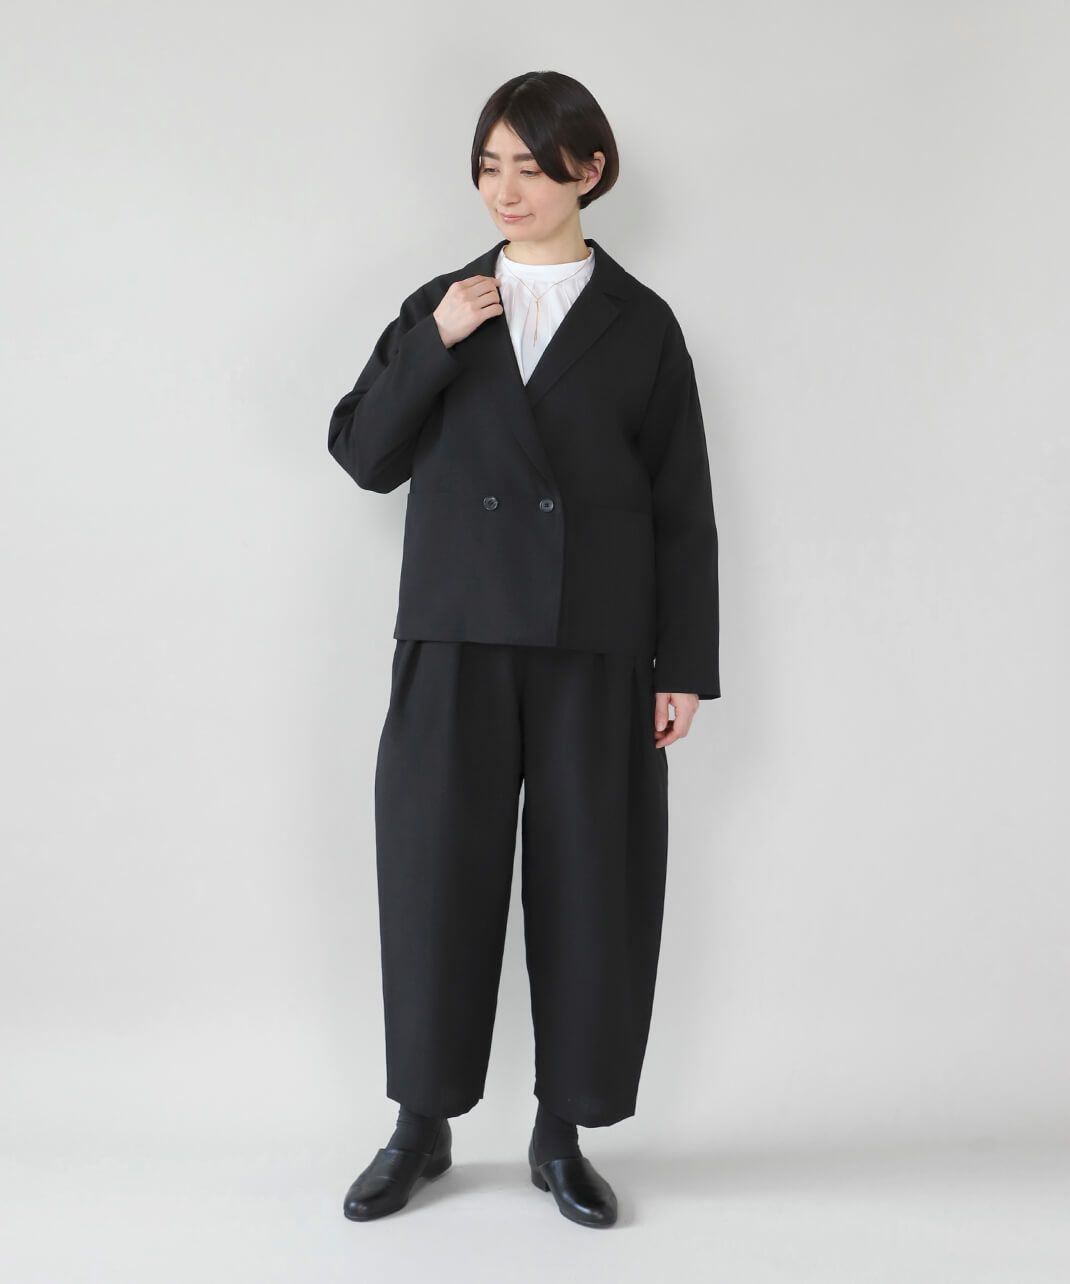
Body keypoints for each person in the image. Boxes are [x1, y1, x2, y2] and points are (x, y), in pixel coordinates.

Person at [328, 70, 721, 1228]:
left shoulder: (641, 325)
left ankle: (562, 1134)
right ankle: (419, 1127)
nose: (506, 189)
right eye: (490, 165)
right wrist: (435, 343)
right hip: (453, 631)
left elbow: (681, 508)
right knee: (431, 880)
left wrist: (682, 665)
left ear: (587, 172)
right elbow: (362, 454)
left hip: (593, 645)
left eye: (532, 167)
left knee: (592, 888)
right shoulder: (441, 302)